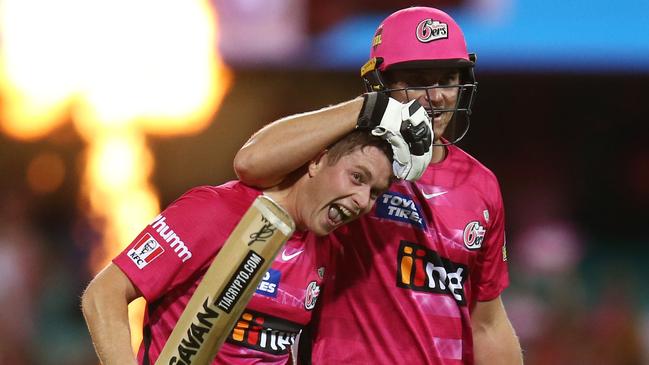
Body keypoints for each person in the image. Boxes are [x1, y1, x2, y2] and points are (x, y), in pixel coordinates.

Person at [233, 6, 522, 365]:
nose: (437, 97)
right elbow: (250, 163)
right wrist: (362, 111)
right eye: (418, 79)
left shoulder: (480, 185)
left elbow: (488, 324)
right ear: (382, 85)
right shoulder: (342, 159)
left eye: (447, 79)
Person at [81, 96, 434, 365]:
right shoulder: (214, 212)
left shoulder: (326, 245)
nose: (362, 200)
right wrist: (366, 106)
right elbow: (104, 294)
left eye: (374, 192)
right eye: (357, 177)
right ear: (315, 160)